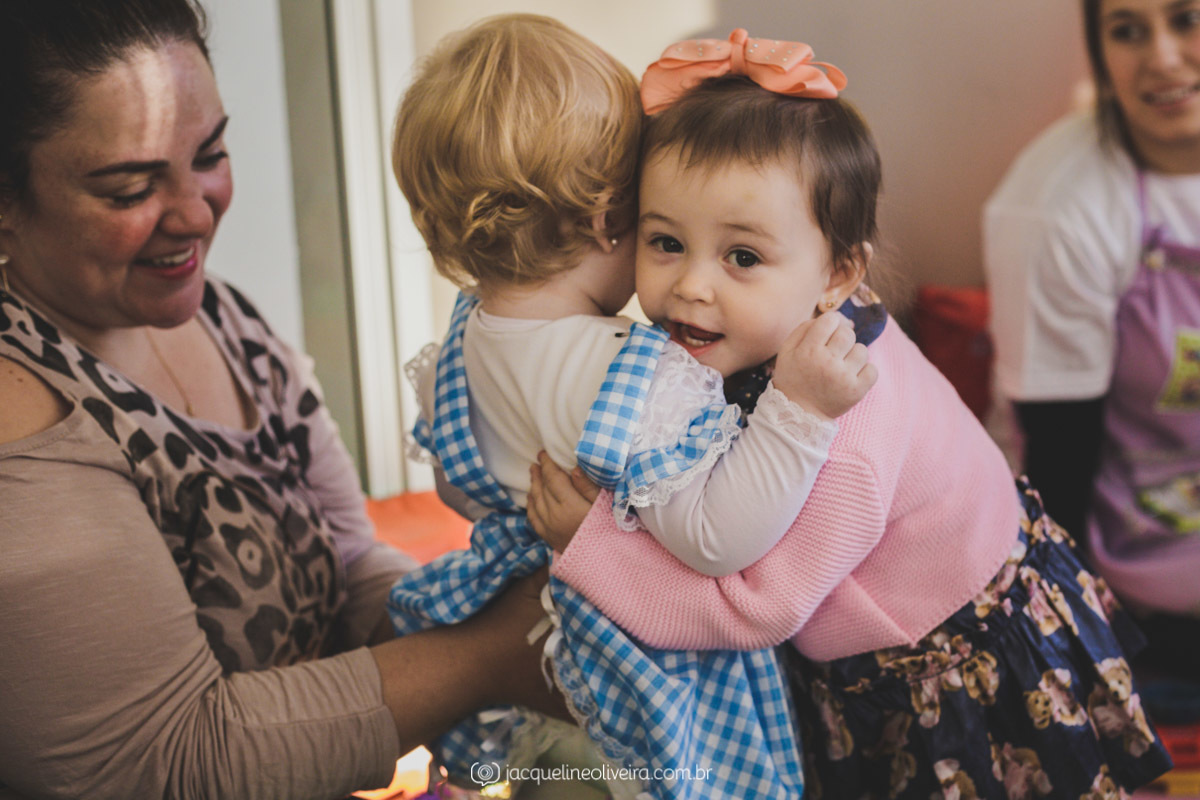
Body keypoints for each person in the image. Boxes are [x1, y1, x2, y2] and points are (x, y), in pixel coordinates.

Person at [528, 27, 1174, 799]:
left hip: (955, 671)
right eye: (666, 241)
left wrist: (595, 550)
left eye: (741, 257)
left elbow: (753, 609)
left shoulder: (845, 438)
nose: (692, 286)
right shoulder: (783, 323)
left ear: (837, 274)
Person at [0, 2, 565, 799]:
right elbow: (166, 761)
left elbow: (347, 560)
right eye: (130, 187)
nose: (196, 212)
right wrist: (489, 652)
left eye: (210, 154)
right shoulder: (22, 410)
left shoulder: (226, 318)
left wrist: (479, 602)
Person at [388, 15, 875, 799]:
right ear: (609, 219)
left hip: (541, 662)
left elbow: (456, 488)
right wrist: (799, 412)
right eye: (660, 230)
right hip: (649, 684)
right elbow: (717, 538)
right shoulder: (631, 371)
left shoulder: (459, 348)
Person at [984, 0, 1200, 688]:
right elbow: (1058, 459)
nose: (1162, 57)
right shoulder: (1058, 206)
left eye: (1187, 18)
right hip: (1126, 549)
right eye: (1128, 30)